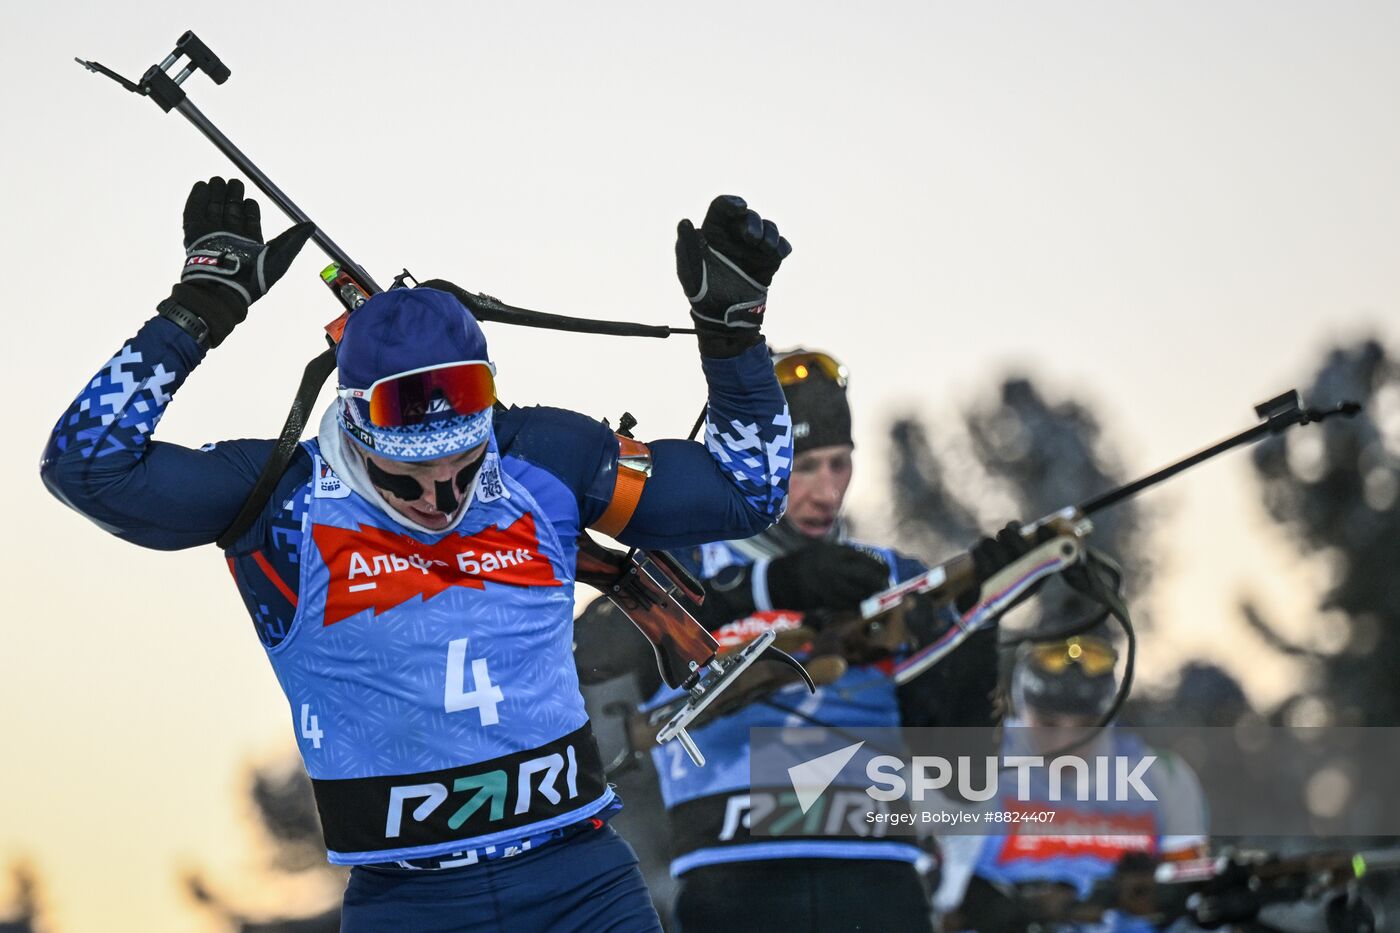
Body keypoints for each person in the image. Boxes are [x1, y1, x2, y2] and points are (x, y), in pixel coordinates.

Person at [40, 178, 797, 932]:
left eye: (464, 468)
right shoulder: (281, 495)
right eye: (406, 475)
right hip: (411, 905)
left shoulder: (544, 457)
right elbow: (84, 467)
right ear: (352, 424)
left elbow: (745, 492)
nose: (440, 499)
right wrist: (198, 310)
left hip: (582, 885)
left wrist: (732, 334)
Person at [575, 348, 1030, 933]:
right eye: (803, 466)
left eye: (840, 464)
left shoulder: (898, 578)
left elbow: (960, 774)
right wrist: (763, 587)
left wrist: (977, 626)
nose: (826, 492)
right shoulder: (684, 560)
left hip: (878, 877)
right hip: (732, 880)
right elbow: (592, 655)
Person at [940, 631, 1209, 933]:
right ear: (1018, 708)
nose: (1065, 741)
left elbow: (1194, 904)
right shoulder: (977, 765)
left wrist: (1160, 893)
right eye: (1047, 722)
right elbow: (929, 896)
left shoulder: (1164, 776)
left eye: (1086, 726)